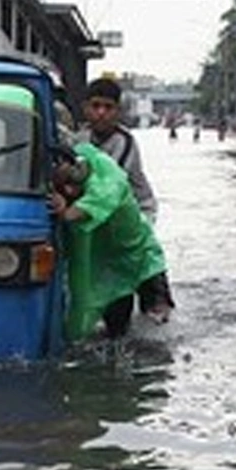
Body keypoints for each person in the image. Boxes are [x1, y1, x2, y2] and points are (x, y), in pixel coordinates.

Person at [50, 143, 171, 340]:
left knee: (157, 323)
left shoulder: (106, 175)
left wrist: (64, 212)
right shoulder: (81, 152)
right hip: (108, 268)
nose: (69, 190)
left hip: (141, 256)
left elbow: (98, 200)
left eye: (69, 182)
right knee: (116, 335)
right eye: (62, 187)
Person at [78, 76, 173, 321]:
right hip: (100, 213)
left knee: (140, 253)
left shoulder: (125, 142)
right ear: (85, 108)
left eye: (108, 108)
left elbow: (110, 186)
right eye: (96, 106)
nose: (101, 113)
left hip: (136, 209)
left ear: (118, 112)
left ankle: (157, 304)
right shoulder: (78, 140)